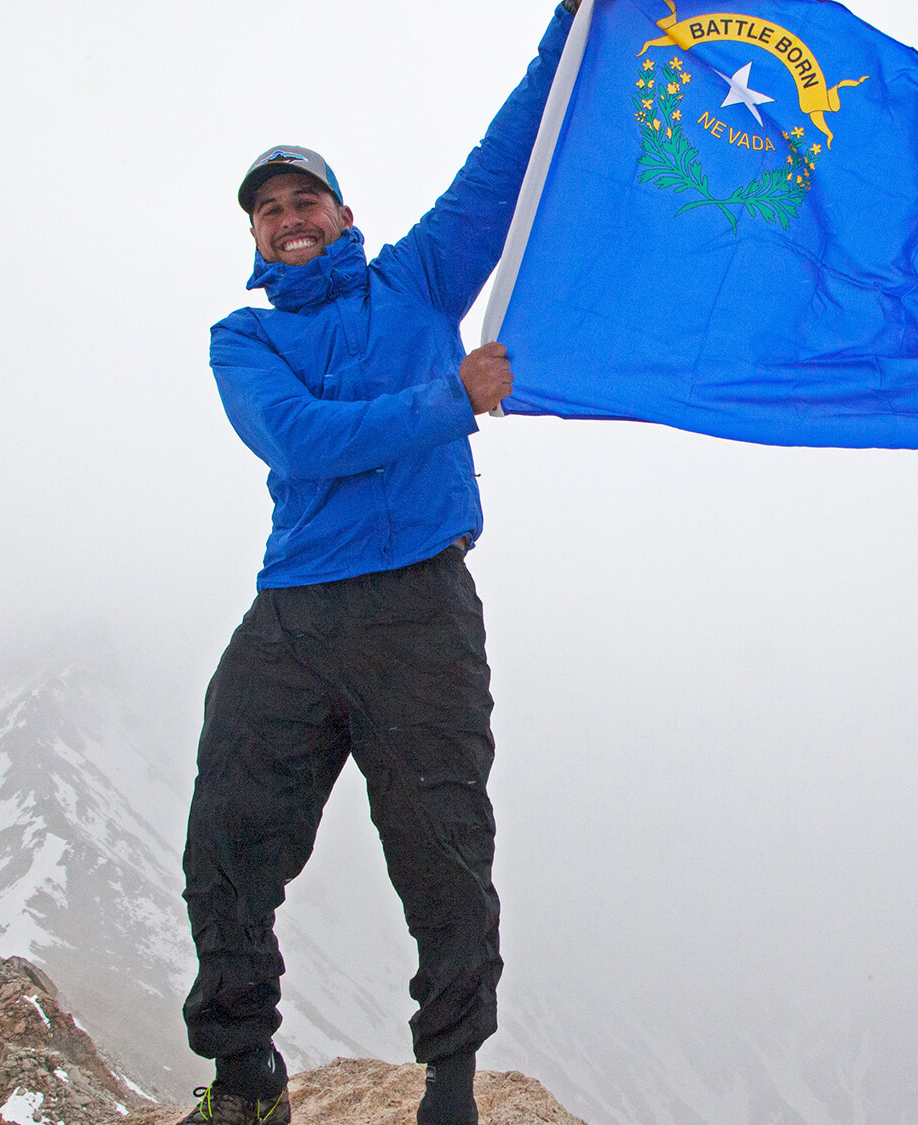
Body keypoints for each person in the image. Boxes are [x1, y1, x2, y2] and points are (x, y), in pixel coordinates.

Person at [177, 5, 579, 1124]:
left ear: (343, 214)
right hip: (292, 614)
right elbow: (297, 440)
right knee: (227, 842)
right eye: (267, 211)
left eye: (303, 201)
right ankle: (242, 1071)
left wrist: (572, 29)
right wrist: (450, 398)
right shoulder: (243, 340)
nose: (287, 219)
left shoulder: (416, 281)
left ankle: (448, 1084)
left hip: (419, 606)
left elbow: (509, 161)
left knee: (442, 847)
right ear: (255, 238)